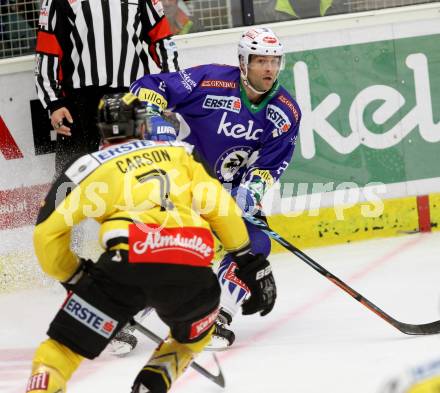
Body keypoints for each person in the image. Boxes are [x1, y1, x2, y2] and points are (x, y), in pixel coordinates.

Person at [25, 93, 276, 393]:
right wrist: (248, 260)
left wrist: (74, 275)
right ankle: (151, 386)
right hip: (192, 270)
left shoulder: (88, 167)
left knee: (60, 351)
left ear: (102, 130)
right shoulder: (181, 152)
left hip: (124, 266)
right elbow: (221, 208)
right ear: (143, 127)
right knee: (192, 339)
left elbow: (46, 234)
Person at [128, 26, 301, 349]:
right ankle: (120, 315)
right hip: (182, 184)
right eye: (260, 60)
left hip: (229, 193)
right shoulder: (211, 82)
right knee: (173, 249)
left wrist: (250, 193)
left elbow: (271, 164)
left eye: (274, 61)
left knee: (256, 245)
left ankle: (218, 315)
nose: (269, 69)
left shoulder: (285, 112)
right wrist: (152, 115)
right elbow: (150, 85)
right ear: (243, 62)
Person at [34, 0, 179, 176]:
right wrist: (54, 103)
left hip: (128, 96)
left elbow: (161, 38)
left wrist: (172, 87)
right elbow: (47, 49)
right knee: (72, 174)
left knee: (134, 169)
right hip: (79, 100)